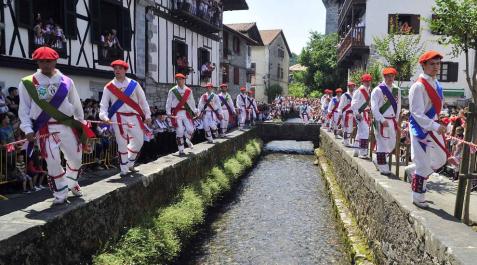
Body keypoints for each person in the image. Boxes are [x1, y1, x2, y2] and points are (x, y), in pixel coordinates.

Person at [18, 47, 94, 204]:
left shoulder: (66, 81)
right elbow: (24, 109)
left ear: (55, 61)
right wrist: (27, 129)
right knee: (52, 162)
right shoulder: (27, 83)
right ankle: (60, 194)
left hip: (67, 124)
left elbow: (76, 104)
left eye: (49, 61)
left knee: (76, 159)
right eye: (42, 61)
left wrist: (81, 123)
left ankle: (72, 183)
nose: (45, 64)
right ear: (37, 62)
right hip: (45, 127)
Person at [408, 50, 448, 208]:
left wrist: (442, 119)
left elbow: (439, 107)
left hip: (434, 126)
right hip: (421, 129)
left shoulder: (437, 85)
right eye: (432, 64)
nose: (436, 67)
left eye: (438, 64)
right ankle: (418, 196)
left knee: (441, 159)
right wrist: (435, 125)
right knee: (423, 163)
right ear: (423, 65)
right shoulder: (417, 86)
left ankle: (414, 170)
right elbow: (416, 113)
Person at [99, 59, 151, 177]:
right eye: (115, 68)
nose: (117, 71)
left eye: (120, 68)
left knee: (139, 141)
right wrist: (104, 116)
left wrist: (147, 115)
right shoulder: (109, 87)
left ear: (125, 70)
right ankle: (124, 168)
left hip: (134, 116)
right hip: (118, 117)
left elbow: (143, 101)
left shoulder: (134, 84)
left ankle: (130, 162)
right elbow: (103, 105)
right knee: (121, 143)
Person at [371, 67, 401, 175]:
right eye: (388, 76)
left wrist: (396, 119)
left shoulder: (397, 89)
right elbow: (374, 108)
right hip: (381, 120)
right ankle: (383, 166)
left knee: (391, 143)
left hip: (392, 120)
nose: (390, 78)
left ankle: (377, 160)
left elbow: (398, 105)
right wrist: (381, 119)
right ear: (384, 77)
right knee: (382, 143)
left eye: (392, 76)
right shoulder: (378, 90)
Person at [165, 73, 198, 156]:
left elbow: (192, 102)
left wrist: (193, 111)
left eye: (181, 79)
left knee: (191, 129)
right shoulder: (172, 90)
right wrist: (168, 113)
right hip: (176, 113)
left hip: (186, 112)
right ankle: (181, 150)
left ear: (184, 80)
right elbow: (168, 103)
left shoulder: (188, 90)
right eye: (178, 79)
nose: (179, 81)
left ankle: (187, 139)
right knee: (179, 131)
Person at [351, 74, 372, 158]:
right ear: (362, 81)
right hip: (360, 114)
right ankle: (362, 152)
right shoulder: (359, 91)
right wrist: (357, 114)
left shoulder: (369, 90)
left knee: (360, 132)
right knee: (365, 132)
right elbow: (353, 104)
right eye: (366, 81)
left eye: (369, 81)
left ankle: (356, 150)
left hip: (366, 113)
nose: (368, 82)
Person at [338, 82, 356, 147]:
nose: (352, 87)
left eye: (353, 86)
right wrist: (340, 113)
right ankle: (346, 142)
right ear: (348, 87)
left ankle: (344, 140)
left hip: (352, 113)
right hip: (346, 113)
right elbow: (341, 105)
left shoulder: (354, 94)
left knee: (350, 128)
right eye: (351, 86)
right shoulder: (344, 95)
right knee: (346, 128)